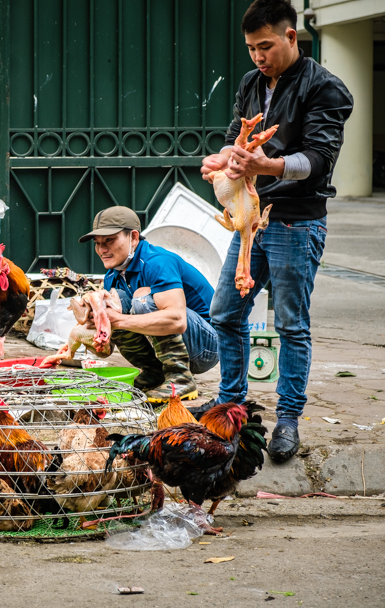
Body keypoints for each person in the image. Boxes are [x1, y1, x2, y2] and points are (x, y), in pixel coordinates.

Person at [199, 0, 353, 462]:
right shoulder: (250, 83)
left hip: (296, 221)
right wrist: (223, 158)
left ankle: (287, 420)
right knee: (225, 312)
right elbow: (234, 136)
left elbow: (319, 159)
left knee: (290, 324)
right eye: (250, 49)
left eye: (265, 46)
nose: (257, 57)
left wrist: (268, 165)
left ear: (291, 37)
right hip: (251, 221)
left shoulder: (326, 88)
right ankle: (232, 402)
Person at [79, 206, 219, 403]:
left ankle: (180, 379)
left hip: (207, 347)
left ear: (134, 237)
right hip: (180, 342)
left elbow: (177, 321)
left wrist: (117, 320)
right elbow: (107, 348)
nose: (102, 249)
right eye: (98, 243)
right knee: (111, 302)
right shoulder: (112, 276)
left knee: (143, 298)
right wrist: (90, 332)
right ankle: (156, 373)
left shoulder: (157, 262)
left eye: (109, 240)